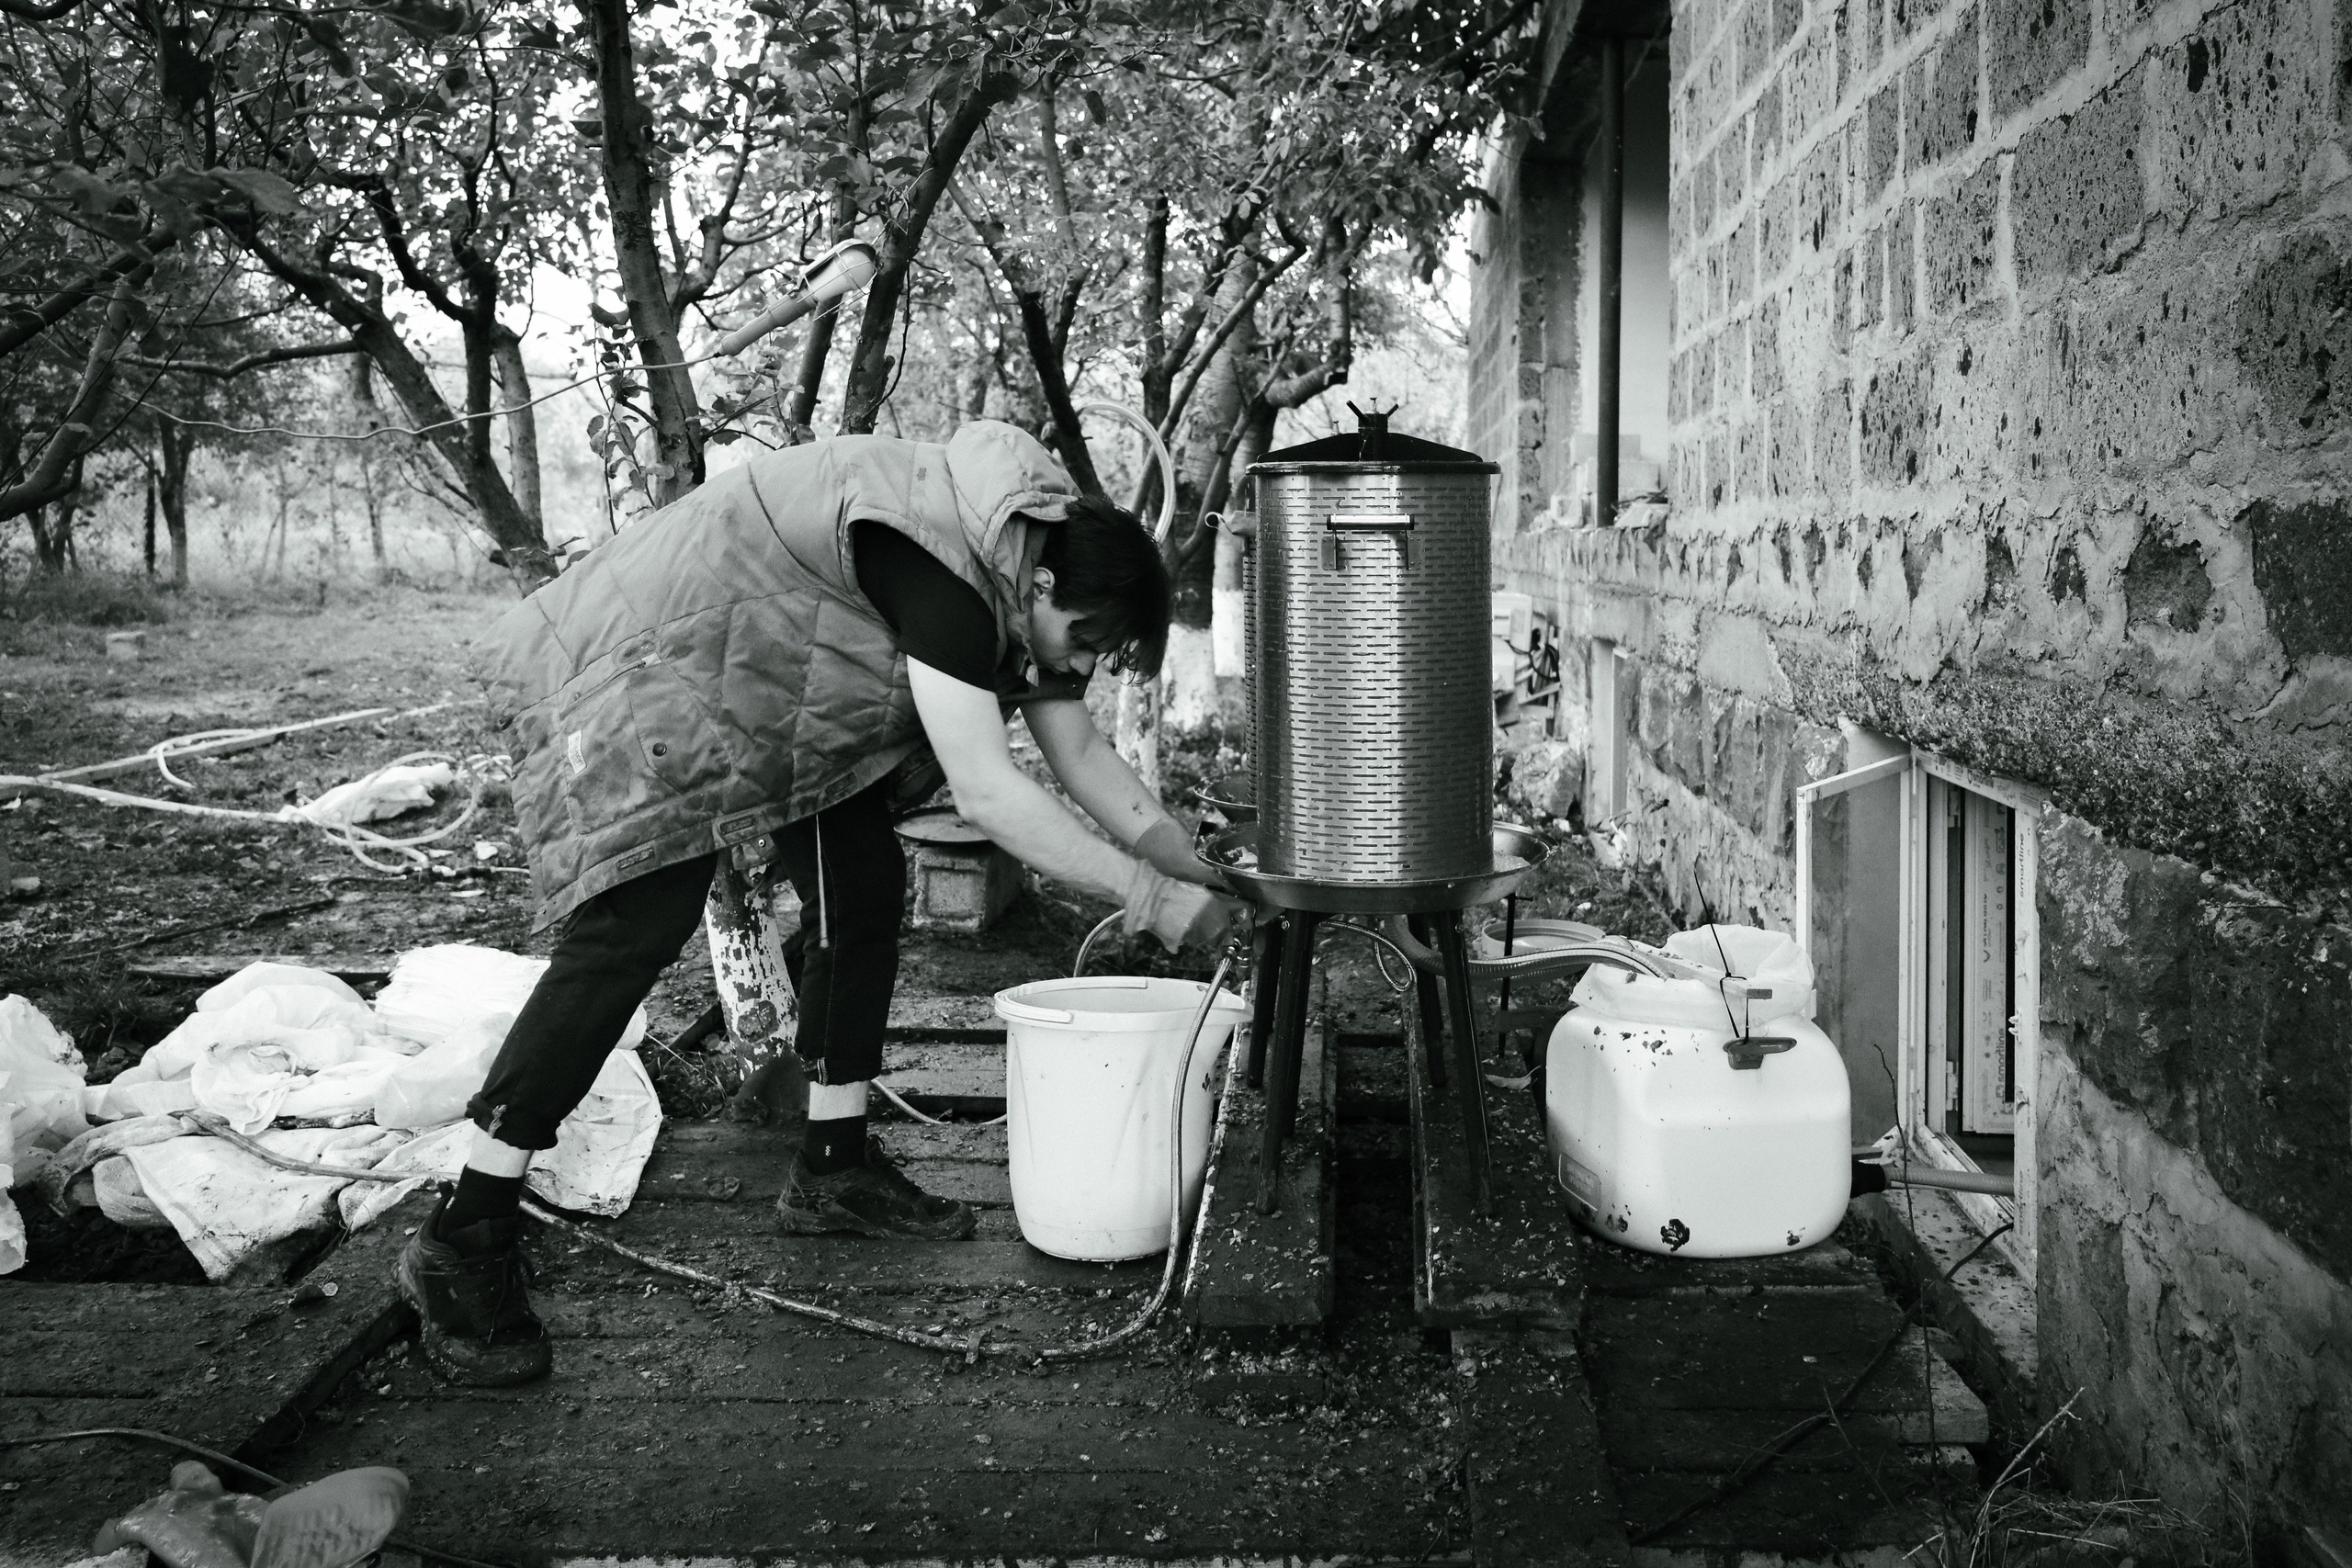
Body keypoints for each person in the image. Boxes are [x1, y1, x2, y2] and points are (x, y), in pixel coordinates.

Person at [397, 421, 1242, 1385]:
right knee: (634, 928)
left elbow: (1080, 751)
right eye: (1083, 640)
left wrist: (1190, 862)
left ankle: (832, 1164)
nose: (1078, 666)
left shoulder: (1020, 558)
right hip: (654, 663)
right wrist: (1147, 896)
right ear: (1042, 586)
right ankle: (463, 1235)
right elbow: (989, 791)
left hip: (770, 671)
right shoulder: (950, 575)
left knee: (862, 885)